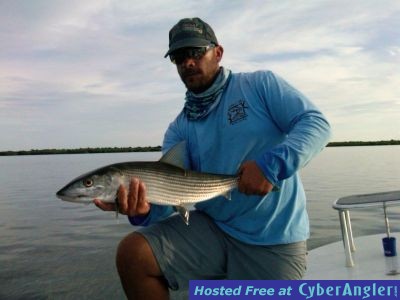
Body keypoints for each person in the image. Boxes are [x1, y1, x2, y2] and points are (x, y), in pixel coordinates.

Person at [95, 17, 331, 300]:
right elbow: (171, 196)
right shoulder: (179, 128)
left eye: (195, 52)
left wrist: (271, 166)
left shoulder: (259, 86)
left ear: (217, 53)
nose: (188, 63)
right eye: (179, 57)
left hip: (273, 237)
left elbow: (315, 123)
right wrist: (142, 209)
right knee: (133, 255)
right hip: (213, 230)